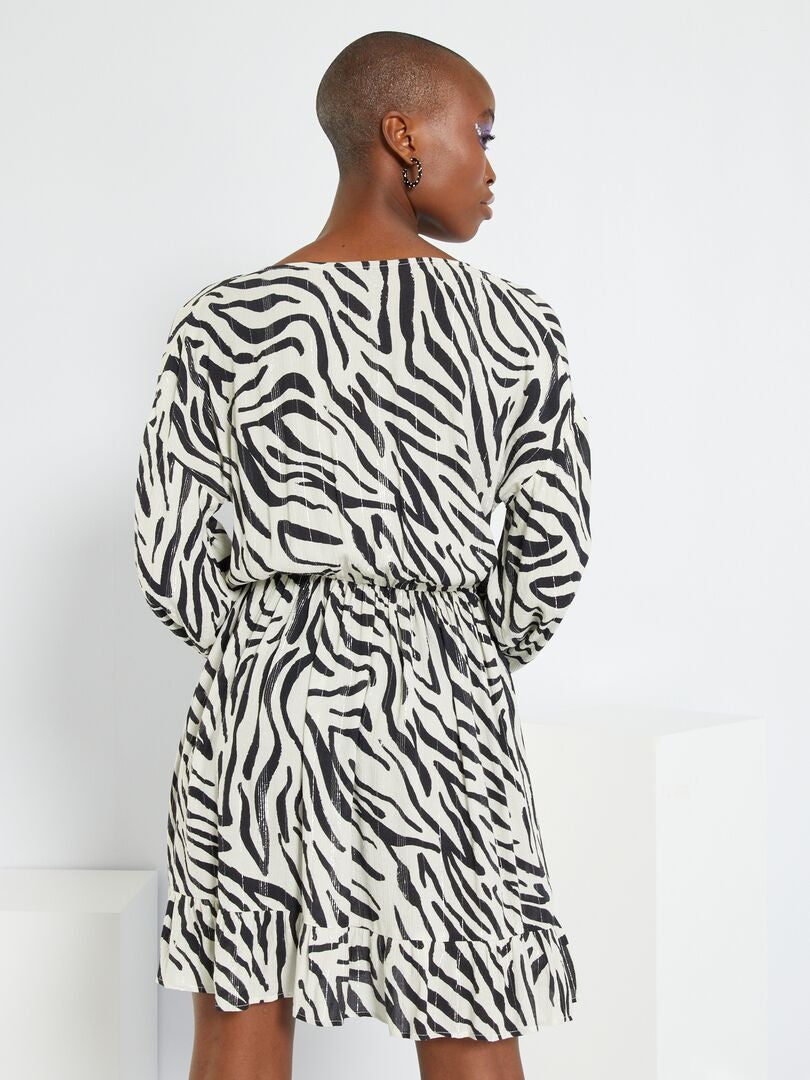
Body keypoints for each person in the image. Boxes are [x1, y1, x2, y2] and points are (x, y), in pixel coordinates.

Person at [133, 28, 592, 1080]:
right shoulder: (515, 326)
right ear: (403, 134)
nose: (492, 165)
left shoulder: (221, 323)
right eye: (481, 133)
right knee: (473, 1010)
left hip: (264, 697)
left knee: (242, 1010)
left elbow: (171, 557)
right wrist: (452, 643)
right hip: (441, 700)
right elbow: (550, 554)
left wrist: (276, 631)